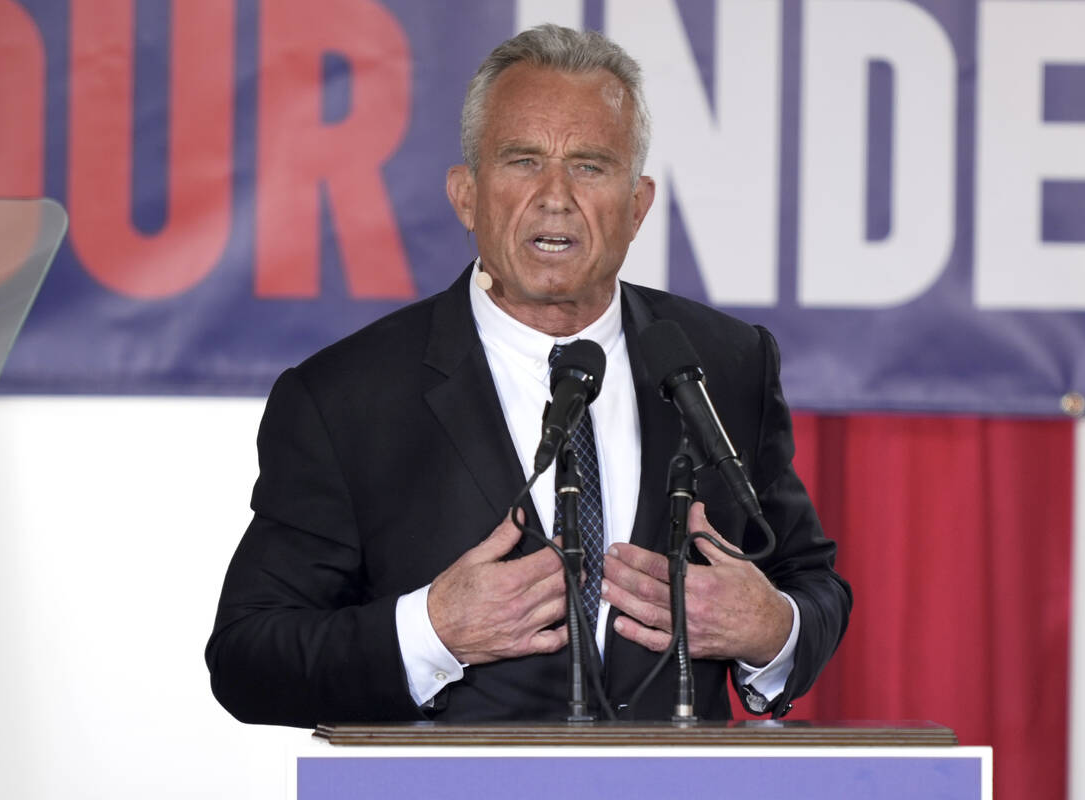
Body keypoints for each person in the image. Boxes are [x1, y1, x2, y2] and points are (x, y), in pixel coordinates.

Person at [206, 24, 850, 726]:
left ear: (637, 206)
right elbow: (249, 658)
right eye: (521, 161)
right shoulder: (346, 400)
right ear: (466, 196)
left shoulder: (727, 362)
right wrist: (430, 633)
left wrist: (770, 631)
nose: (554, 195)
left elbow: (811, 586)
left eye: (590, 165)